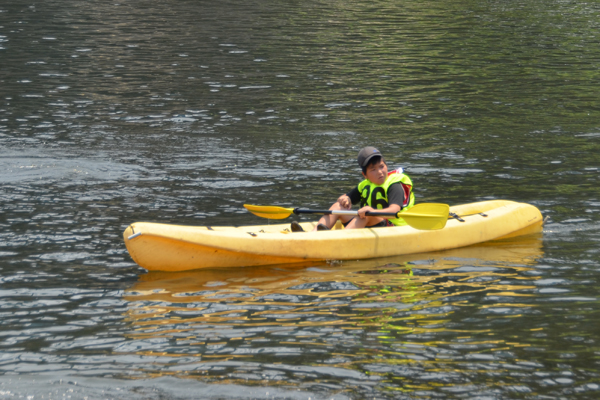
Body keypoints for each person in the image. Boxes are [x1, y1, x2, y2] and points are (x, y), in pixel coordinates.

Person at [291, 146, 415, 232]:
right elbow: (349, 197)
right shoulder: (364, 185)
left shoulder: (394, 184)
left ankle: (339, 239)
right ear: (364, 175)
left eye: (382, 166)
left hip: (392, 227)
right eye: (373, 169)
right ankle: (314, 234)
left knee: (366, 214)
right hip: (370, 224)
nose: (380, 172)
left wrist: (370, 210)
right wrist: (345, 199)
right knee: (338, 206)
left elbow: (394, 210)